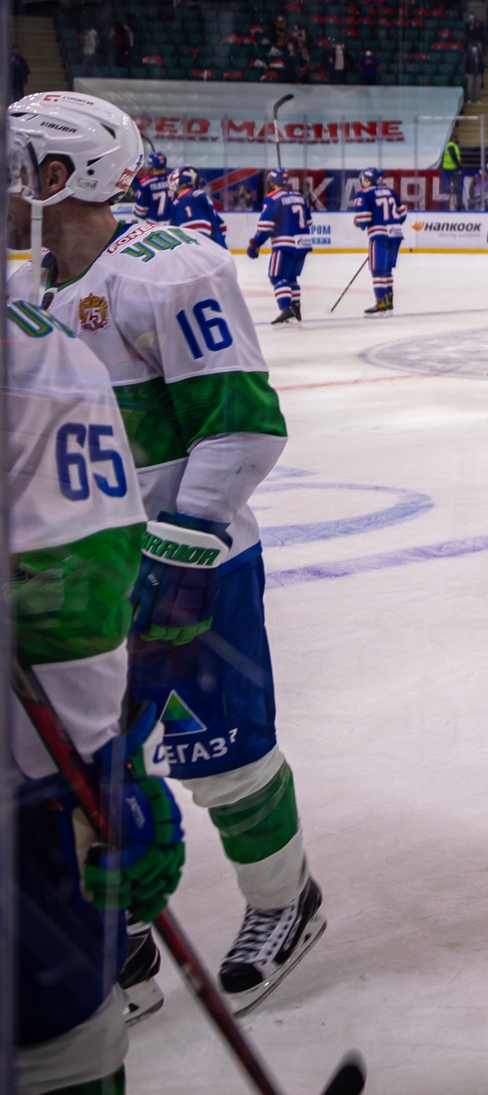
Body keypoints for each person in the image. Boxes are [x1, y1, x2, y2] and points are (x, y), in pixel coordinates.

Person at [6, 92, 323, 1019]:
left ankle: (283, 902)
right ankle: (122, 939)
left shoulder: (167, 269)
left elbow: (243, 425)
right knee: (82, 765)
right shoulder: (24, 289)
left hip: (191, 564)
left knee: (221, 752)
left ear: (57, 177)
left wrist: (179, 550)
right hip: (75, 575)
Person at [3, 239, 170, 1094]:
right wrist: (100, 770)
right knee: (54, 1033)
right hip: (24, 802)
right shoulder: (34, 350)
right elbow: (80, 585)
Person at [243, 170, 312, 325]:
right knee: (291, 278)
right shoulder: (300, 197)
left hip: (284, 244)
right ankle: (296, 307)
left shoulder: (272, 198)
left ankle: (285, 309)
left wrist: (255, 244)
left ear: (272, 182)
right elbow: (309, 222)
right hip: (303, 244)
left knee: (277, 277)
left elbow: (266, 226)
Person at [348, 167, 411, 317]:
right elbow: (402, 214)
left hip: (379, 235)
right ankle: (389, 304)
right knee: (387, 270)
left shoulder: (363, 193)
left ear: (368, 179)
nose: (362, 181)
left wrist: (358, 222)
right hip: (395, 235)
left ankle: (380, 304)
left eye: (363, 178)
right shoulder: (389, 191)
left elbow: (363, 220)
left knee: (377, 271)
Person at [165, 165, 222, 243]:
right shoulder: (201, 195)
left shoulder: (180, 201)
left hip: (194, 249)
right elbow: (221, 226)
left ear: (177, 182)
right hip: (214, 248)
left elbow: (174, 235)